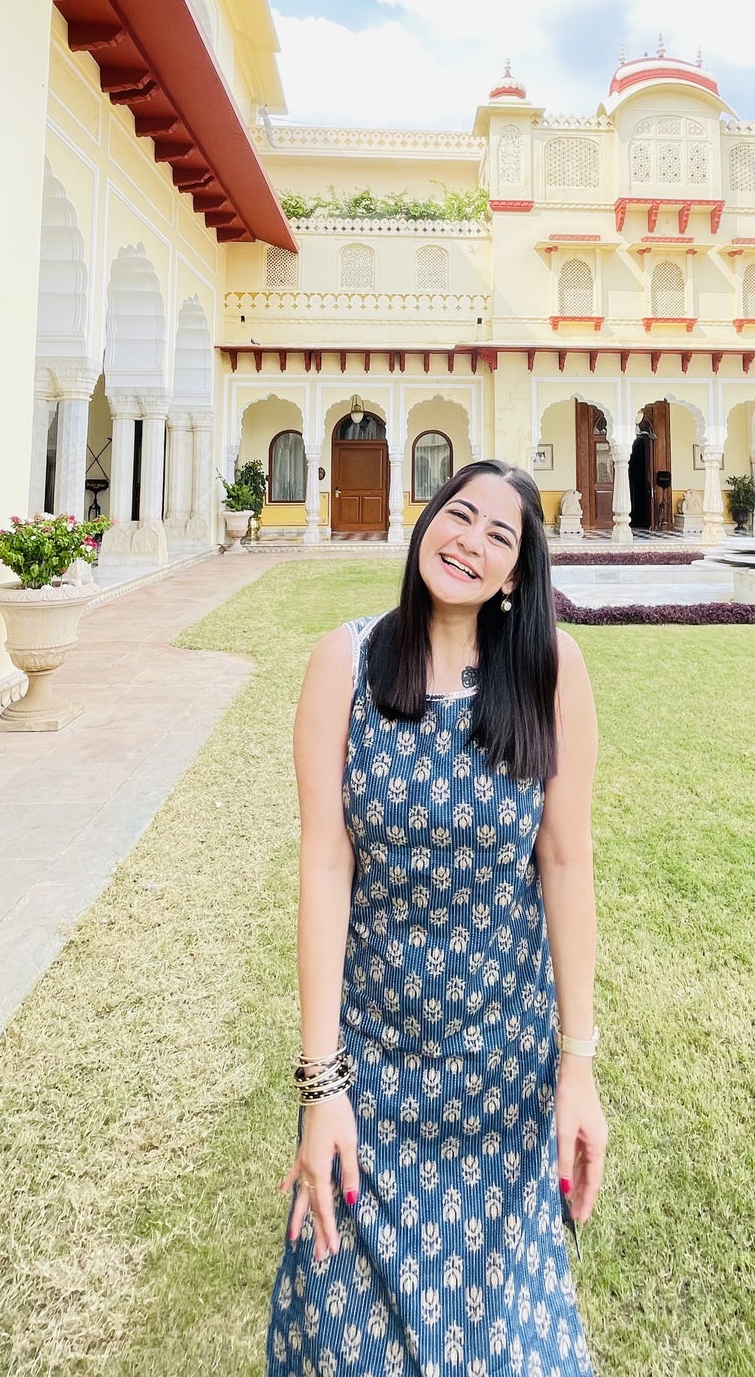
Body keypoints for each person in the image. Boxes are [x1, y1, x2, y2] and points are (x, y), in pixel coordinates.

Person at [266, 459, 606, 1375]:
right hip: (371, 1061)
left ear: (516, 576)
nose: (471, 541)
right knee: (349, 1336)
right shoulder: (344, 660)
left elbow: (565, 862)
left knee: (508, 1341)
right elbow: (325, 863)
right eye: (460, 516)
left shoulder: (548, 670)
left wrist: (578, 1069)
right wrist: (320, 1082)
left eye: (502, 536)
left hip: (504, 1068)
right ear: (425, 522)